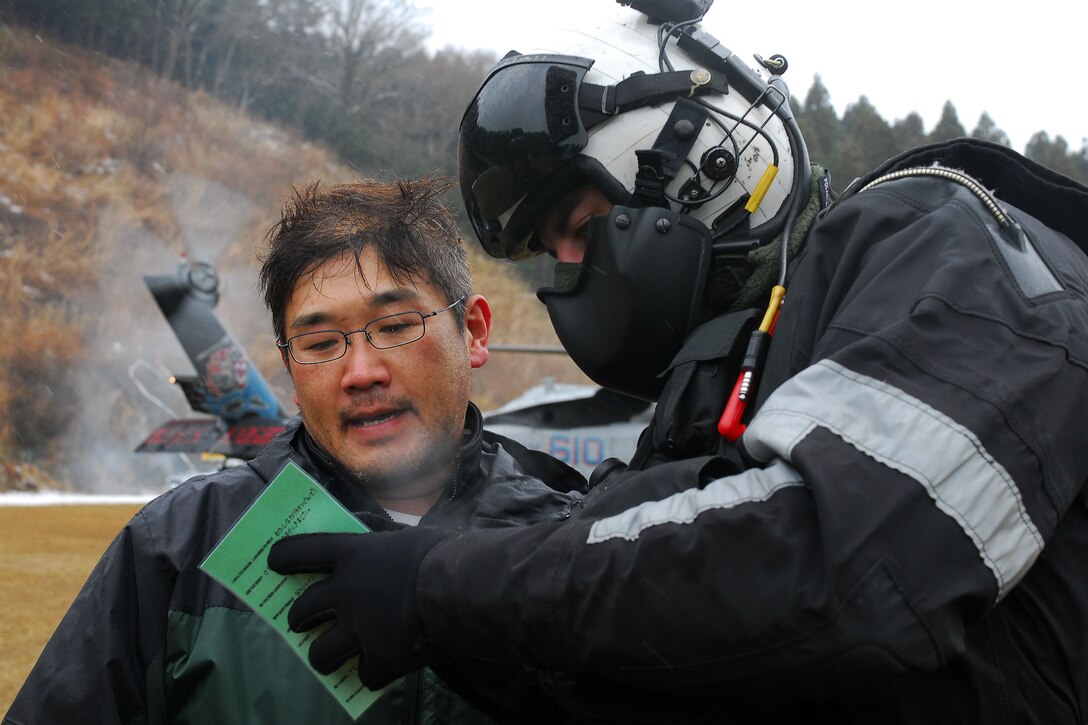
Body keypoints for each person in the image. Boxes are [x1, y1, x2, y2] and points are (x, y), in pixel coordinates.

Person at [267, 3, 1088, 723]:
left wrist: (439, 586)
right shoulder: (725, 383)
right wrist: (431, 605)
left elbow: (842, 568)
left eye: (578, 229)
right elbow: (652, 639)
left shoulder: (944, 249)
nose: (574, 271)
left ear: (704, 164)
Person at [3, 177, 585, 725]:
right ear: (290, 369)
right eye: (321, 343)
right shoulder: (177, 548)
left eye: (396, 326)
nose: (361, 372)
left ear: (474, 331)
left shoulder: (579, 541)